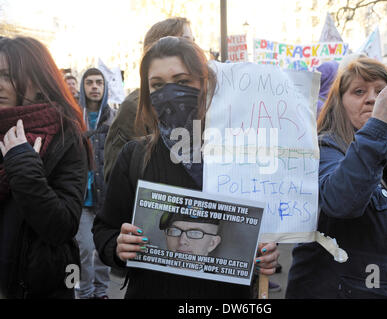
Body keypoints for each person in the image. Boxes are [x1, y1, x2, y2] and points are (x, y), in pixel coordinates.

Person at [93, 36, 279, 298]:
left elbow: (262, 231)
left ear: (206, 84)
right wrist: (117, 247)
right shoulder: (135, 156)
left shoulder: (240, 155)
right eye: (157, 85)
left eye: (182, 82)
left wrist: (265, 255)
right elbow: (105, 229)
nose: (169, 94)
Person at [286, 57, 387, 299]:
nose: (372, 98)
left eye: (380, 91)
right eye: (359, 91)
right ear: (339, 103)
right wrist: (379, 125)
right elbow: (341, 201)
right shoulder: (323, 147)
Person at [0, 36, 90, 298]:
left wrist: (22, 165)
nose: (0, 85)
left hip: (36, 287)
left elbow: (62, 225)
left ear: (37, 81)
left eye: (7, 75)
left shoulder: (65, 134)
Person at [103, 17, 194, 183]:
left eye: (194, 41)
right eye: (187, 41)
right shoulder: (135, 106)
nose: (195, 49)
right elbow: (118, 177)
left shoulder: (201, 100)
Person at [76, 67, 115, 299]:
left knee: (103, 250)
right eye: (89, 82)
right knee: (84, 249)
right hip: (80, 197)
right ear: (83, 86)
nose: (94, 87)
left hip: (107, 196)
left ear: (105, 87)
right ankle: (85, 292)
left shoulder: (114, 119)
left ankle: (101, 293)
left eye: (99, 82)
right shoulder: (73, 117)